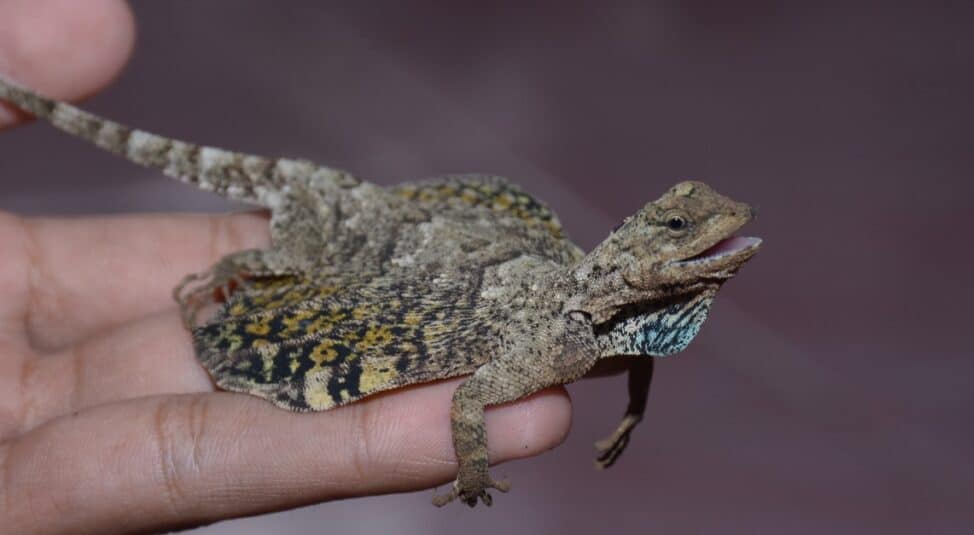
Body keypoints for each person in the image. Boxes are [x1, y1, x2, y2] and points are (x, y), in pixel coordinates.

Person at [0, 1, 570, 532]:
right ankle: (237, 264)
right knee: (292, 262)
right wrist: (239, 269)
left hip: (352, 207)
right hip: (325, 203)